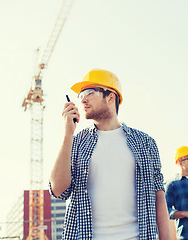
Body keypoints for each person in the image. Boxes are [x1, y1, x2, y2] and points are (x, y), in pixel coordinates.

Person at [49, 69, 170, 240]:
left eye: (89, 92)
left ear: (111, 97)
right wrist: (68, 135)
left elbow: (159, 195)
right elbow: (58, 190)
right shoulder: (76, 142)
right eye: (81, 94)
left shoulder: (145, 142)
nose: (83, 99)